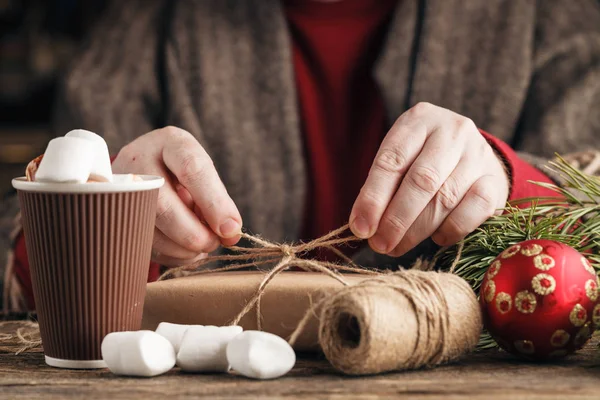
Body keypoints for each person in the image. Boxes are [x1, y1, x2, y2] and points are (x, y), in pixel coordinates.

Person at [4, 0, 600, 311]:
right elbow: (25, 270)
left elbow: (589, 211)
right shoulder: (146, 27)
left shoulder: (552, 19)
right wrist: (106, 225)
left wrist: (508, 181)